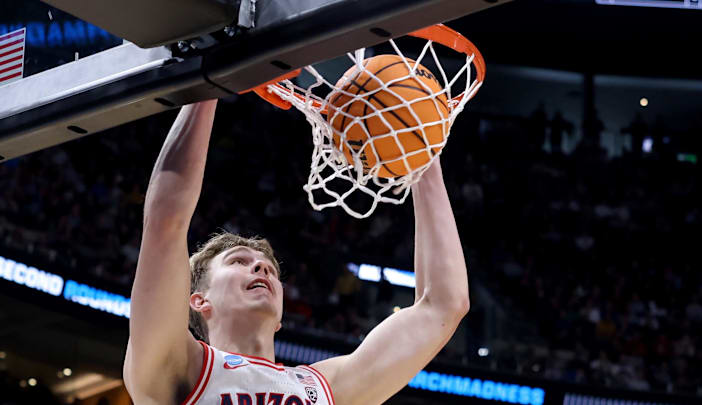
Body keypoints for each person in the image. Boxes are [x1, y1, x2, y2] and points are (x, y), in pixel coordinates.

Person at [122, 100, 470, 405]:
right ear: (198, 300)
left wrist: (423, 150)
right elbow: (165, 223)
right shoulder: (178, 365)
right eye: (239, 262)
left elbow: (443, 304)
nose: (261, 268)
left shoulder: (327, 386)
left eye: (269, 269)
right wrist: (209, 87)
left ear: (280, 318)